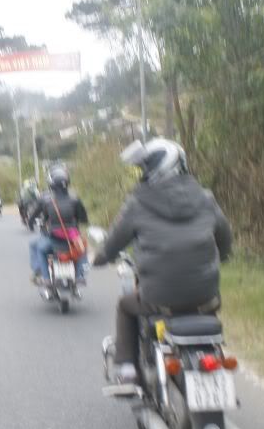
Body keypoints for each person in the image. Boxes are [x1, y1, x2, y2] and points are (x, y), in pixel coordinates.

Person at [92, 138, 232, 384]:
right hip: (205, 297)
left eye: (145, 168)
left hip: (160, 298)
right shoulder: (206, 198)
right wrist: (223, 255)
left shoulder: (138, 203)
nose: (143, 174)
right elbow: (225, 238)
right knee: (210, 305)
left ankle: (127, 368)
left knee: (125, 305)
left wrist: (101, 258)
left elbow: (113, 243)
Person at [26, 164, 89, 286]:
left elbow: (34, 217)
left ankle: (44, 276)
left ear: (51, 184)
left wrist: (31, 223)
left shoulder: (45, 200)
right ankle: (80, 275)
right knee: (83, 249)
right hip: (72, 241)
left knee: (38, 248)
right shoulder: (75, 200)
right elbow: (84, 219)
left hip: (53, 240)